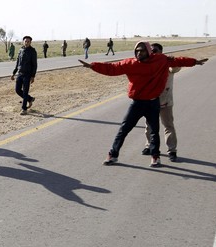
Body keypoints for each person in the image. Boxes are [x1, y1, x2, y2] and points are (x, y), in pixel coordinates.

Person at [78, 41, 208, 167]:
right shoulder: (130, 63)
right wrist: (92, 66)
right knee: (124, 129)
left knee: (154, 131)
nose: (139, 53)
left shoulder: (161, 60)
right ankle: (113, 154)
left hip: (153, 102)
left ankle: (155, 157)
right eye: (137, 51)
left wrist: (194, 62)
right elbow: (112, 68)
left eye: (142, 50)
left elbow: (178, 60)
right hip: (137, 104)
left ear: (149, 52)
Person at [142, 43, 180, 161]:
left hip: (165, 101)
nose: (153, 53)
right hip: (150, 101)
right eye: (151, 51)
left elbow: (175, 68)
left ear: (161, 52)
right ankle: (149, 146)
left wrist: (172, 60)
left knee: (168, 126)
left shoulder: (167, 63)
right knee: (149, 126)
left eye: (155, 51)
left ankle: (172, 150)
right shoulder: (147, 64)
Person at [11, 35, 38, 116]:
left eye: (28, 41)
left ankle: (24, 109)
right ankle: (30, 99)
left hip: (27, 75)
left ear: (30, 42)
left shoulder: (32, 51)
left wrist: (33, 76)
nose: (26, 43)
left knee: (25, 92)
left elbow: (35, 65)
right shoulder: (21, 50)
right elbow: (17, 63)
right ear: (23, 42)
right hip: (20, 74)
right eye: (25, 41)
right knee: (17, 90)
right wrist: (13, 73)